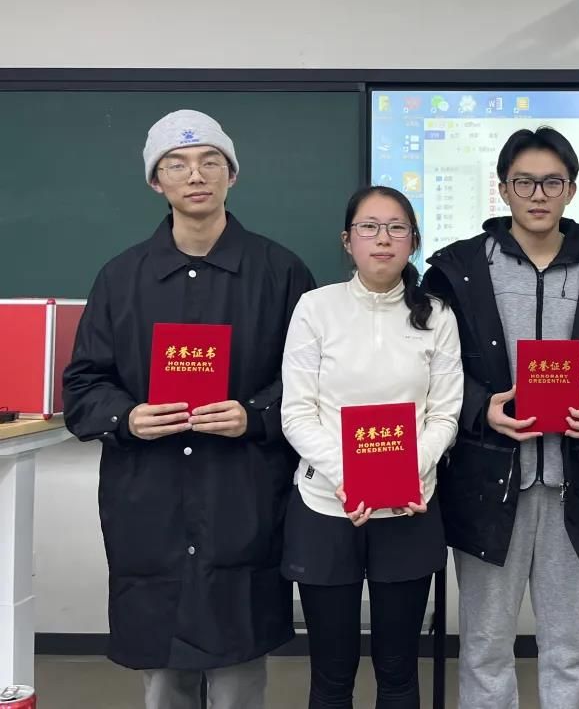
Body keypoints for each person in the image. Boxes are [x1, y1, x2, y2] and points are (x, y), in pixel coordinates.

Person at [62, 110, 315, 709]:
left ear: (232, 174)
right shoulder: (120, 278)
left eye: (210, 162)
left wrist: (254, 414)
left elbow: (314, 383)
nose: (195, 175)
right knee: (164, 673)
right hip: (151, 499)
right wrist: (128, 417)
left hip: (242, 494)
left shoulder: (280, 272)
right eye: (176, 165)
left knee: (238, 672)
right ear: (157, 181)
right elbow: (83, 386)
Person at [421, 127, 579, 709]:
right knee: (485, 645)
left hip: (573, 480)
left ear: (571, 189)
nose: (538, 195)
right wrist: (479, 408)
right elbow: (432, 362)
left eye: (552, 182)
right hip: (489, 480)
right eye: (524, 182)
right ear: (503, 189)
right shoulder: (459, 268)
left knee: (569, 644)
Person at [279, 185, 463, 709]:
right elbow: (297, 413)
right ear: (348, 240)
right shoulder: (316, 308)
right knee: (331, 674)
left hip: (409, 507)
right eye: (369, 227)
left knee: (399, 672)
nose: (383, 239)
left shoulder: (438, 316)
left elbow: (445, 413)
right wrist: (351, 479)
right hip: (326, 506)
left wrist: (407, 474)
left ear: (413, 242)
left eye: (396, 228)